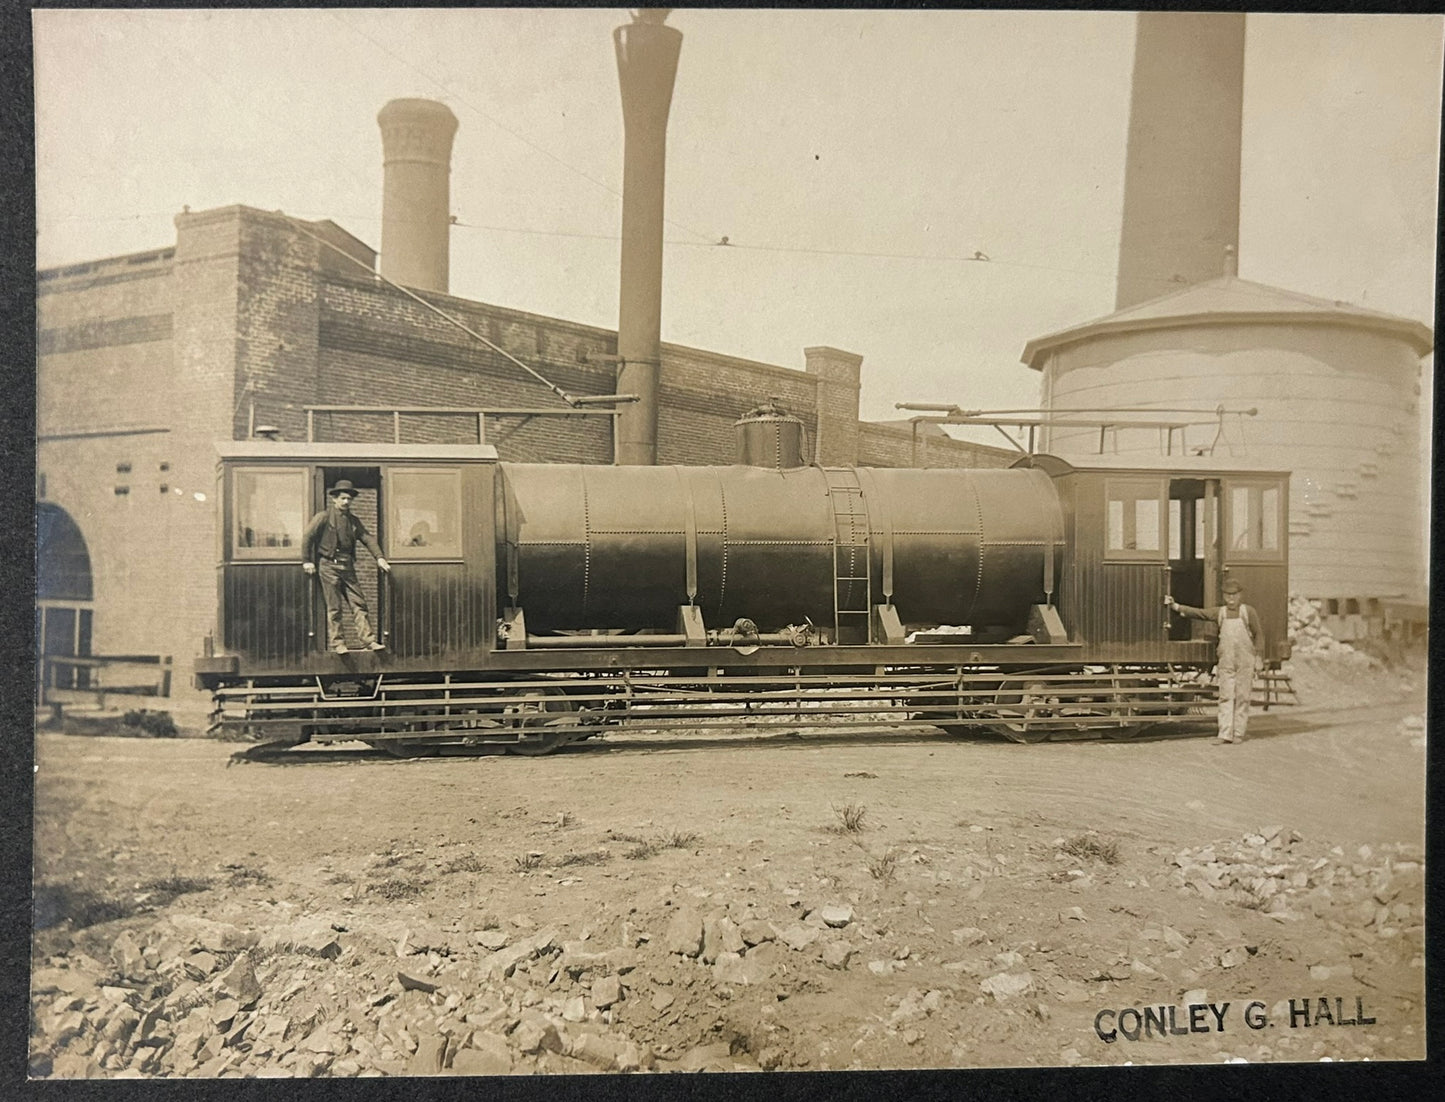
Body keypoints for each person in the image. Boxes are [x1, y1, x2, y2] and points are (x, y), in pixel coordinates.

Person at [1165, 578, 1264, 745]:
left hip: (1246, 661)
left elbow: (1259, 635)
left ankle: (1238, 733)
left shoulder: (1248, 612)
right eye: (1227, 595)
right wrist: (1176, 606)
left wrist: (1259, 658)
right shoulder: (1221, 613)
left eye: (1234, 595)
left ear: (1240, 595)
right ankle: (1225, 733)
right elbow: (1200, 613)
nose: (1231, 599)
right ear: (1224, 596)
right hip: (1226, 662)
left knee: (1242, 697)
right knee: (1226, 696)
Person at [302, 480, 391, 654]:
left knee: (359, 603)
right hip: (328, 566)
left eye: (349, 499)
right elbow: (307, 536)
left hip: (347, 566)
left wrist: (380, 558)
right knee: (334, 607)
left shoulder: (353, 521)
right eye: (342, 498)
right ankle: (338, 644)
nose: (346, 502)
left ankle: (368, 641)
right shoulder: (324, 517)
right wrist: (307, 560)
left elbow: (367, 539)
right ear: (334, 499)